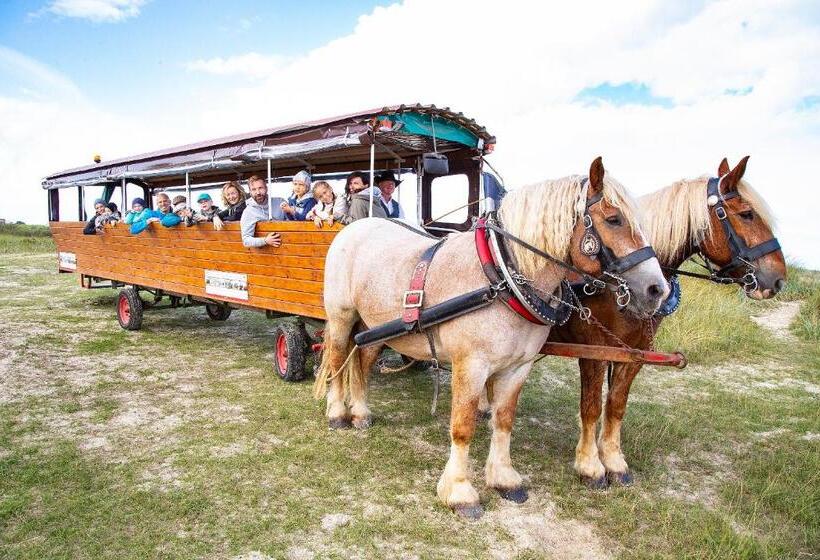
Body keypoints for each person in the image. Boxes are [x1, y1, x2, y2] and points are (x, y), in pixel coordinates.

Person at [240, 175, 284, 248]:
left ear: (266, 188)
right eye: (253, 189)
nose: (258, 192)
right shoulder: (248, 212)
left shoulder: (280, 202)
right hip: (267, 254)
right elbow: (246, 241)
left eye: (260, 188)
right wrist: (265, 241)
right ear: (250, 192)